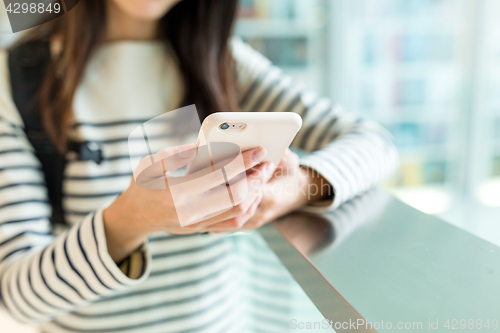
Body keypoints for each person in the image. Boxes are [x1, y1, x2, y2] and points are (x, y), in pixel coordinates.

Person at [0, 0, 399, 332]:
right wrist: (131, 219)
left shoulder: (223, 61)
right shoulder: (16, 79)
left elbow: (376, 143)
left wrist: (292, 190)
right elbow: (17, 297)